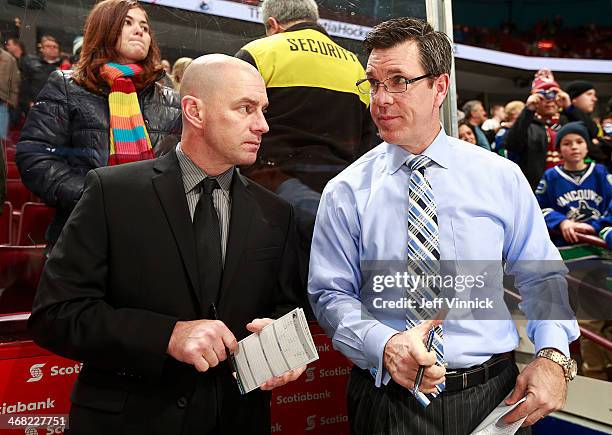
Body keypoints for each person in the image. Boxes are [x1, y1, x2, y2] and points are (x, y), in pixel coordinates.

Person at [308, 18, 579, 435]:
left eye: (398, 81)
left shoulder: (499, 176)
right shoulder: (346, 190)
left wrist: (553, 355)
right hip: (388, 401)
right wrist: (384, 345)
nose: (381, 99)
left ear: (439, 87)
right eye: (373, 83)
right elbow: (329, 294)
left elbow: (540, 273)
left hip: (492, 399)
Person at [28, 54, 305, 435]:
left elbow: (284, 304)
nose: (263, 125)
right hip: (130, 421)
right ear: (194, 110)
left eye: (263, 110)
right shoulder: (113, 192)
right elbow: (56, 316)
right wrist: (167, 336)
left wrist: (280, 343)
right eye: (246, 109)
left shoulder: (276, 213)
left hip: (237, 420)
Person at [16, 0, 181, 251]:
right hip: (85, 233)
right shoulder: (67, 85)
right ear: (104, 28)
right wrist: (94, 196)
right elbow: (35, 157)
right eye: (127, 23)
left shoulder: (170, 99)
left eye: (145, 27)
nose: (140, 31)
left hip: (153, 235)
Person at [235, 0, 375, 283]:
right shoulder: (356, 66)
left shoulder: (258, 53)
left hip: (268, 198)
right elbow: (368, 145)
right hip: (337, 204)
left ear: (272, 25)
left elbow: (231, 123)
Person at [535, 122, 611, 246]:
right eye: (567, 143)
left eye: (579, 142)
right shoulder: (551, 176)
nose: (574, 147)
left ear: (587, 146)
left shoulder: (600, 172)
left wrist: (596, 226)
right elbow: (538, 208)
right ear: (558, 149)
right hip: (564, 244)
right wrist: (561, 222)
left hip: (599, 241)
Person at [505, 69, 569, 190]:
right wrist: (529, 109)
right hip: (537, 187)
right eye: (543, 95)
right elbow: (512, 145)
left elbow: (591, 138)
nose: (549, 99)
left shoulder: (567, 122)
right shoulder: (527, 125)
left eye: (554, 93)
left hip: (567, 186)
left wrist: (570, 107)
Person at [19, 35, 63, 111]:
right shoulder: (32, 64)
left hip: (56, 111)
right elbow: (25, 86)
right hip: (35, 108)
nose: (52, 48)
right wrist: (29, 103)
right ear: (42, 49)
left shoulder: (64, 68)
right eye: (48, 46)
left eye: (55, 47)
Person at [0, 32, 20, 142]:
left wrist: (11, 102)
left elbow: (15, 82)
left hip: (1, 103)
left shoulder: (9, 58)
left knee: (1, 141)